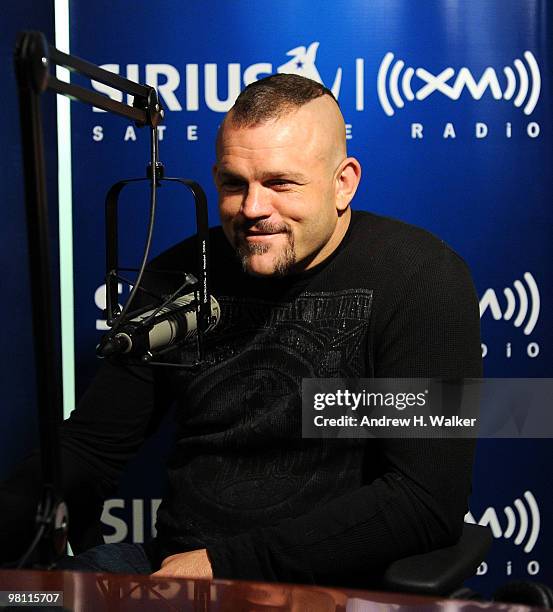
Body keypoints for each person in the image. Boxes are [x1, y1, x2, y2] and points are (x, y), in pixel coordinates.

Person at [1, 73, 482, 587]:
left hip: (334, 584)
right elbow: (92, 447)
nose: (252, 209)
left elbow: (422, 499)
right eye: (234, 184)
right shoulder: (180, 275)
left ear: (343, 182)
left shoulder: (421, 278)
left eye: (280, 183)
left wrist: (226, 567)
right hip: (176, 568)